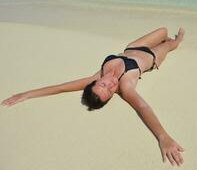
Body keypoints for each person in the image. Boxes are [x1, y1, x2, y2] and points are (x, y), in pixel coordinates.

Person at [1, 27, 185, 167]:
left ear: (94, 83)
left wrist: (27, 94)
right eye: (110, 91)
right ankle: (176, 41)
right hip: (152, 58)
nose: (111, 84)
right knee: (170, 43)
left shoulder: (95, 76)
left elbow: (61, 88)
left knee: (163, 30)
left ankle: (166, 37)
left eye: (103, 85)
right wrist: (163, 137)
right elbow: (143, 108)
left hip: (133, 47)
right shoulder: (126, 85)